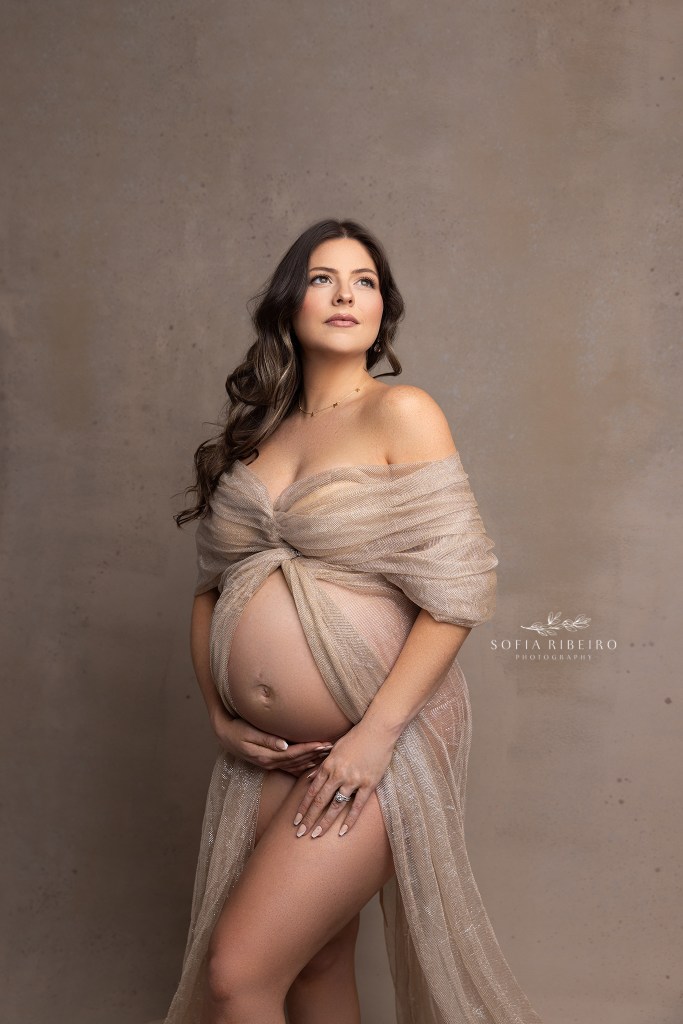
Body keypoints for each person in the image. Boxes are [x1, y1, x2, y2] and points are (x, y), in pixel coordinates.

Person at [166, 218, 542, 1024]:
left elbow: (460, 592)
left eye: (364, 281)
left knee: (238, 975)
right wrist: (219, 717)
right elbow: (210, 593)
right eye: (323, 278)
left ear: (383, 310)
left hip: (377, 744)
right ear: (286, 303)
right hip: (266, 756)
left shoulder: (401, 412)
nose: (344, 295)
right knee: (315, 964)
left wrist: (373, 737)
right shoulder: (255, 434)